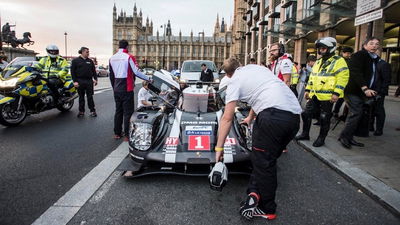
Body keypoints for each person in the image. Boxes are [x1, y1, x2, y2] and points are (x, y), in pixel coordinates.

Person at [215, 58, 301, 221]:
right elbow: (262, 92)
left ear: (228, 74)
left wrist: (219, 149)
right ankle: (255, 191)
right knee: (265, 159)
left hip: (272, 117)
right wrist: (250, 117)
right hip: (294, 118)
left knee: (264, 162)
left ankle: (266, 208)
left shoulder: (234, 82)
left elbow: (227, 118)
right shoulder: (257, 69)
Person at [295, 37, 349, 147]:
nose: (320, 50)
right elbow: (312, 77)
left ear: (331, 48)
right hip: (314, 94)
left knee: (324, 117)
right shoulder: (318, 61)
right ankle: (305, 134)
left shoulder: (339, 61)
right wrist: (308, 90)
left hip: (328, 96)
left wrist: (336, 93)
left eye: (323, 48)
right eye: (319, 48)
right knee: (306, 114)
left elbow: (343, 78)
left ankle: (321, 138)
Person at [339, 37, 381, 149]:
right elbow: (355, 72)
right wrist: (365, 88)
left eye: (377, 44)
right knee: (356, 113)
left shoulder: (374, 58)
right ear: (365, 45)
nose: (374, 46)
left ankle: (348, 137)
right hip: (353, 90)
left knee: (355, 114)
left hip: (361, 92)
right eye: (371, 43)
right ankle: (344, 137)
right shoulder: (360, 55)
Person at [109, 40, 150, 141]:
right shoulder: (129, 57)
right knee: (128, 112)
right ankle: (127, 135)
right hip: (127, 88)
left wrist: (114, 88)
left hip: (117, 89)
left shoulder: (112, 58)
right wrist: (148, 79)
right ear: (127, 47)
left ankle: (117, 133)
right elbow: (136, 72)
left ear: (119, 46)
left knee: (118, 111)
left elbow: (111, 75)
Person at [71, 47, 98, 117]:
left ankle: (92, 111)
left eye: (88, 52)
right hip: (80, 81)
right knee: (81, 97)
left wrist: (95, 79)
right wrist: (75, 81)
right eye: (87, 52)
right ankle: (81, 111)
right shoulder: (75, 61)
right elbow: (72, 72)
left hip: (89, 81)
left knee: (90, 97)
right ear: (82, 52)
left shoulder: (90, 61)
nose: (88, 53)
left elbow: (94, 71)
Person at [369, 50, 391, 136]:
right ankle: (370, 126)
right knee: (371, 109)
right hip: (369, 90)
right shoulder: (370, 64)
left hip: (379, 92)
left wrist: (381, 92)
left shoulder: (383, 64)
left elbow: (386, 80)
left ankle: (379, 129)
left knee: (379, 110)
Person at [333, 46, 354, 118]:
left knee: (344, 100)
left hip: (347, 83)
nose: (349, 55)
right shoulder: (339, 60)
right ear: (343, 53)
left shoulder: (350, 61)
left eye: (350, 53)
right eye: (347, 53)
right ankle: (335, 112)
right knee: (339, 99)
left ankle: (343, 114)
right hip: (339, 83)